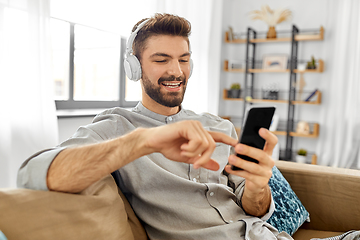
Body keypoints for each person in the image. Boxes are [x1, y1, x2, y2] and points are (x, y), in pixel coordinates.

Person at [17, 13, 292, 240]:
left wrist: (258, 187)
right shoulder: (116, 127)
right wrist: (143, 141)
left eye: (184, 59)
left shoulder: (218, 126)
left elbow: (254, 209)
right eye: (161, 60)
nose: (176, 71)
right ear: (134, 68)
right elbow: (31, 174)